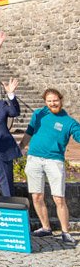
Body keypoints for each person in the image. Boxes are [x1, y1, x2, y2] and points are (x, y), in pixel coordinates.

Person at [20, 88, 80, 244]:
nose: (53, 103)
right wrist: (20, 147)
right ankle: (46, 228)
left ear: (61, 100)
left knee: (59, 198)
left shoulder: (69, 122)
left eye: (55, 100)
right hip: (34, 159)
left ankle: (65, 232)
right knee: (37, 196)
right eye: (49, 101)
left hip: (54, 161)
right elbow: (29, 132)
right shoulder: (39, 114)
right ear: (45, 102)